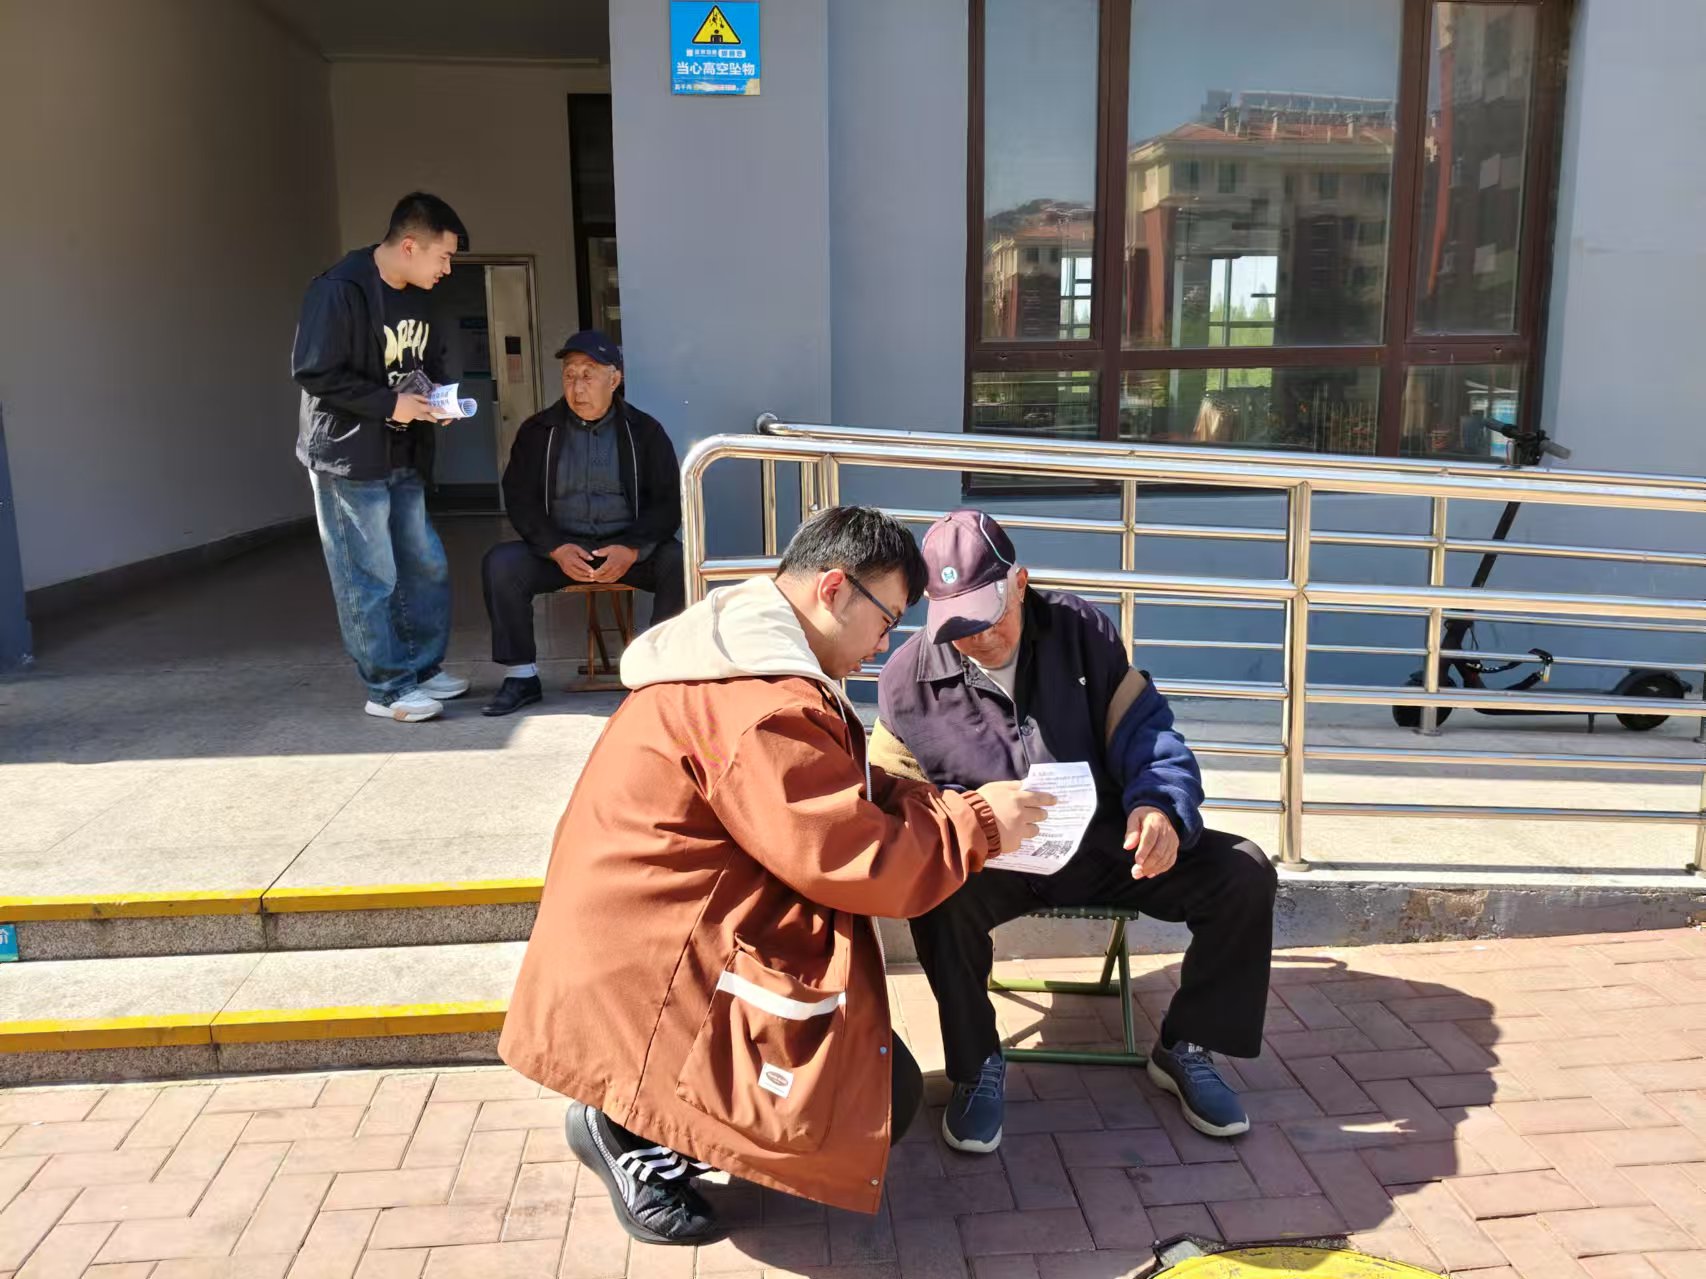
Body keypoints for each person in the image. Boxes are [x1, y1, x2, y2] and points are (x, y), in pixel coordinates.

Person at [499, 506, 1050, 1245]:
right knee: (863, 1101)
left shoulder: (740, 651)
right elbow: (857, 861)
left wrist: (940, 805)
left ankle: (650, 1113)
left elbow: (837, 789)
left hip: (655, 940)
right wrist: (979, 823)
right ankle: (634, 1135)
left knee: (868, 1084)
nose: (885, 644)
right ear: (834, 589)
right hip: (656, 973)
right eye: (886, 621)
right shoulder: (762, 703)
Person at [871, 508, 1278, 1151]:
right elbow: (896, 798)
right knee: (937, 895)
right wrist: (966, 822)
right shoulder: (906, 680)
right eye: (960, 626)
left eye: (990, 615)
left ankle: (1186, 1044)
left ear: (1021, 583)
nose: (980, 637)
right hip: (995, 860)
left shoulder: (1081, 630)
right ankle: (976, 1064)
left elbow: (1147, 732)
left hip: (1105, 844)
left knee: (1244, 872)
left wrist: (1158, 808)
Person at [292, 192, 471, 723]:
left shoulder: (418, 295)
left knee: (424, 563)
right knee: (369, 574)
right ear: (410, 246)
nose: (447, 269)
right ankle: (388, 688)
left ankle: (422, 667)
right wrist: (391, 404)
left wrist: (437, 400)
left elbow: (428, 360)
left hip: (403, 451)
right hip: (349, 456)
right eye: (443, 256)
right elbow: (315, 371)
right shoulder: (339, 290)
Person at [479, 330, 685, 716]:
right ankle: (521, 676)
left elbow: (668, 503)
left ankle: (660, 675)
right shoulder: (538, 431)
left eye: (588, 376)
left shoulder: (645, 432)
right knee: (502, 564)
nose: (577, 388)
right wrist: (554, 547)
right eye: (570, 376)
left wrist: (633, 548)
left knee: (679, 562)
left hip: (625, 549)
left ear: (615, 379)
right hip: (562, 551)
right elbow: (520, 498)